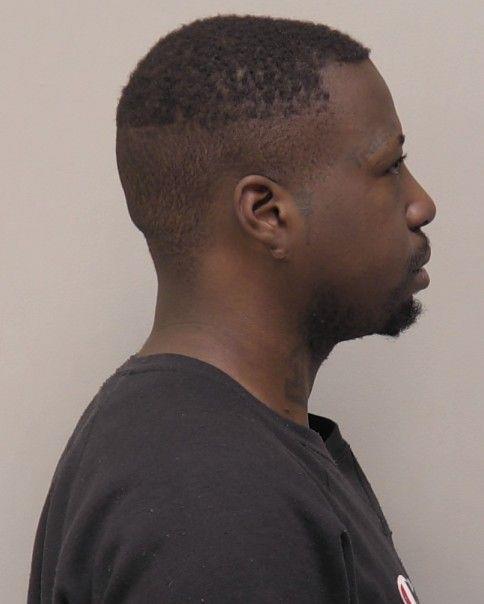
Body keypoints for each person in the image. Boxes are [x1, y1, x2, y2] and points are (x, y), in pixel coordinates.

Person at [28, 14, 435, 603]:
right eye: (389, 167)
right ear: (267, 213)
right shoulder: (214, 501)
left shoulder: (214, 454)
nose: (421, 204)